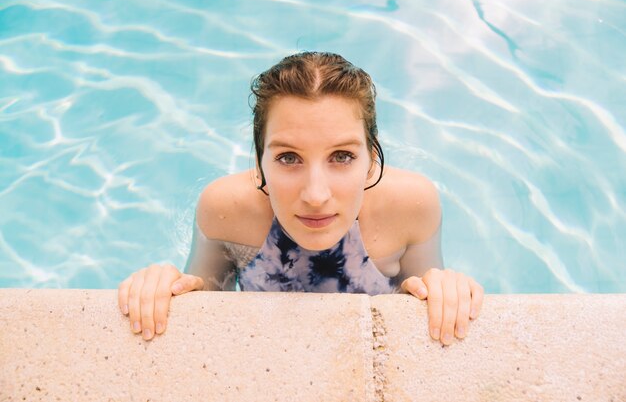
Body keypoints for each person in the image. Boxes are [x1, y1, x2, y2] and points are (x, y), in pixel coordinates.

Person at [117, 51, 484, 345]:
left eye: (342, 157)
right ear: (258, 163)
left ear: (372, 161)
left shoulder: (410, 205)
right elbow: (202, 297)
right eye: (288, 158)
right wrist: (165, 286)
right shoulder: (225, 210)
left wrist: (443, 289)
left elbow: (425, 304)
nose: (315, 195)